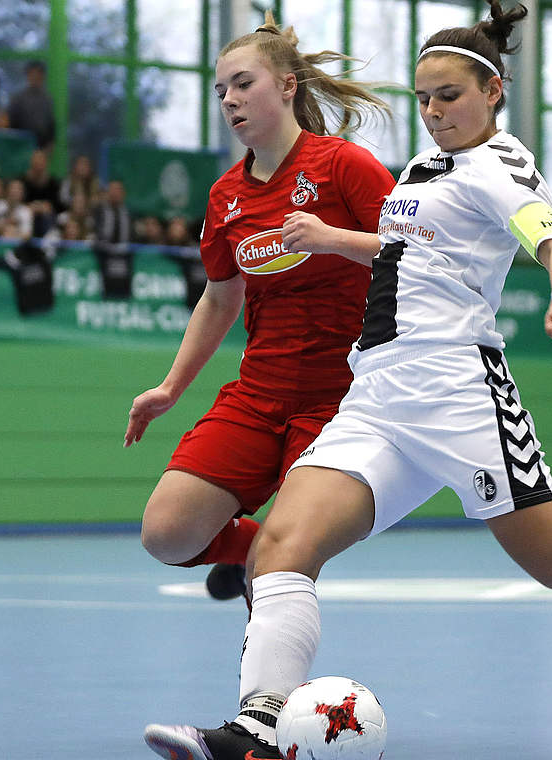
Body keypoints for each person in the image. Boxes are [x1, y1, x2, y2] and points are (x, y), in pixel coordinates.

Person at [141, 4, 552, 758]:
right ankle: (257, 729)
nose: (433, 112)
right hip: (377, 394)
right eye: (424, 98)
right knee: (279, 550)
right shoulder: (425, 168)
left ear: (493, 92)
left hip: (458, 393)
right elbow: (399, 256)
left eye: (450, 96)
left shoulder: (501, 166)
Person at [123, 12, 394, 610]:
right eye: (221, 91)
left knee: (283, 560)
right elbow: (220, 296)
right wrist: (171, 387)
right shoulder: (226, 197)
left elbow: (415, 255)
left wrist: (334, 239)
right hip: (259, 392)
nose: (231, 100)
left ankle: (270, 700)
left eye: (244, 84)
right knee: (166, 533)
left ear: (288, 86)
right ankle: (251, 554)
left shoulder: (342, 165)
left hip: (340, 399)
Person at [7, 60, 55, 150]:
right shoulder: (18, 98)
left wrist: (50, 143)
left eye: (38, 74)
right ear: (28, 76)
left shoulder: (47, 98)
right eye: (32, 74)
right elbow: (11, 122)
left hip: (42, 144)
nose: (35, 77)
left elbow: (51, 123)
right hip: (21, 143)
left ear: (43, 76)